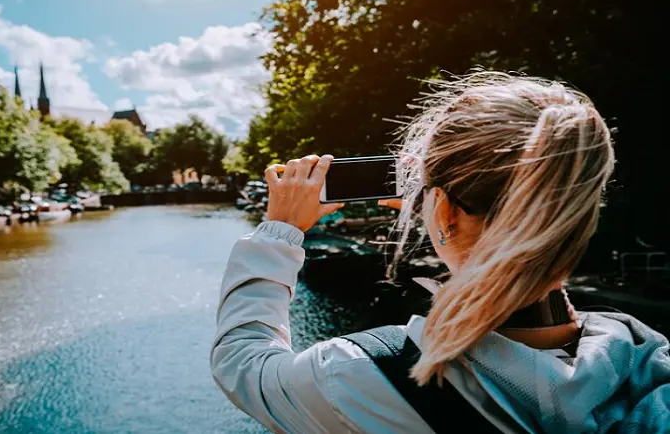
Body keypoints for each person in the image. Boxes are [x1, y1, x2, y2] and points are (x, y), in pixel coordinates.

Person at [210, 71, 670, 433]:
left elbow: (243, 364)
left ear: (446, 212)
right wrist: (441, 206)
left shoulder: (367, 376)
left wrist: (279, 231)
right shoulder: (649, 361)